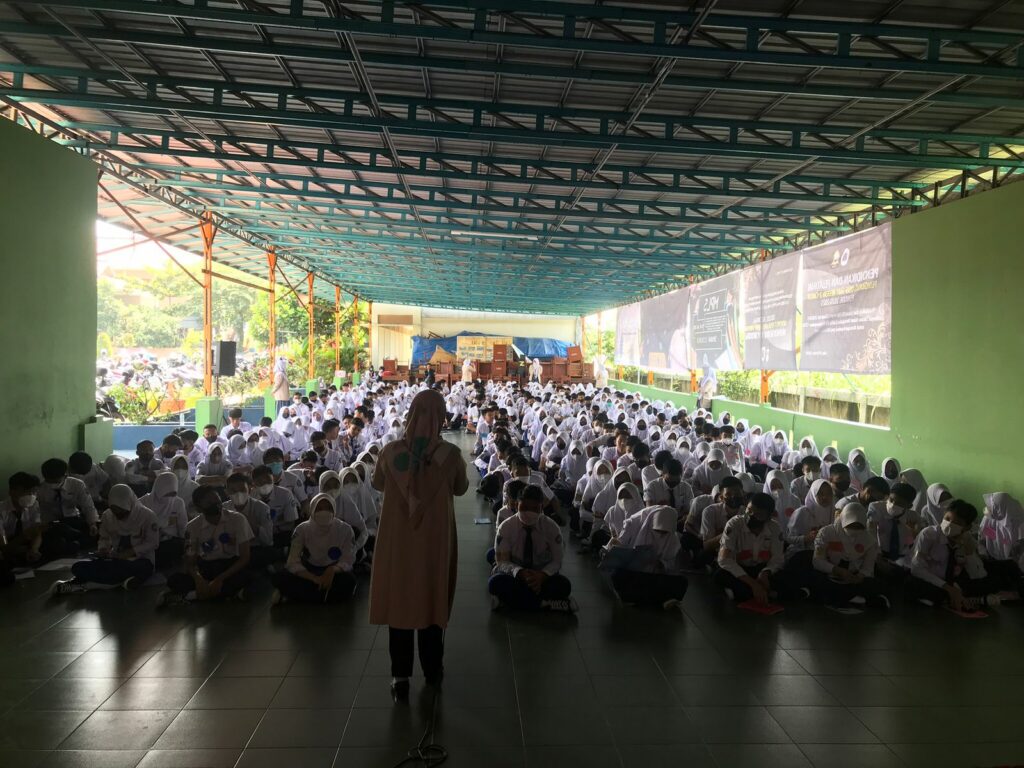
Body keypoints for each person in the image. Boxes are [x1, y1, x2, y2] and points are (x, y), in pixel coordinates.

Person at [369, 388, 469, 702]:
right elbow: (461, 488)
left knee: (400, 604)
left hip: (397, 544)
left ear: (410, 414)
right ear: (441, 418)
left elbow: (378, 483)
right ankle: (432, 670)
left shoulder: (389, 452)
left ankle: (400, 678)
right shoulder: (450, 455)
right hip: (432, 544)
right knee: (430, 600)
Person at [50, 484, 159, 595]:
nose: (118, 515)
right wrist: (103, 549)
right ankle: (123, 580)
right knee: (77, 567)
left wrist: (130, 552)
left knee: (140, 568)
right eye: (114, 511)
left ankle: (80, 584)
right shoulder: (108, 516)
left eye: (122, 511)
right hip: (115, 560)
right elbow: (104, 537)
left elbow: (153, 543)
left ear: (130, 503)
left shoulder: (147, 516)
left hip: (140, 559)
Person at [157, 486, 253, 607]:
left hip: (230, 566)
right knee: (174, 580)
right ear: (199, 508)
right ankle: (229, 594)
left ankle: (190, 596)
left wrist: (219, 579)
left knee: (248, 577)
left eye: (217, 500)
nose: (216, 504)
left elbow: (245, 557)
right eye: (209, 502)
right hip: (207, 567)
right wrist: (198, 579)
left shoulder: (238, 519)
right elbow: (190, 561)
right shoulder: (192, 527)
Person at [489, 485, 576, 612]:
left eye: (534, 509)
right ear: (516, 505)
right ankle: (545, 604)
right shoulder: (506, 527)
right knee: (495, 583)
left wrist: (542, 575)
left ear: (541, 508)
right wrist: (519, 572)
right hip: (516, 575)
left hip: (541, 575)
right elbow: (502, 562)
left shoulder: (551, 528)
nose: (529, 513)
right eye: (524, 508)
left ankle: (512, 602)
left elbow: (557, 561)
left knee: (563, 585)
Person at [906, 499, 998, 611]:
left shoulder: (967, 538)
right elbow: (917, 569)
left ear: (967, 527)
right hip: (931, 580)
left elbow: (978, 575)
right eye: (947, 519)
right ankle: (965, 598)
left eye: (957, 523)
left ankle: (950, 599)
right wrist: (949, 588)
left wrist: (968, 551)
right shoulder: (929, 535)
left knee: (988, 581)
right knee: (911, 584)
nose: (949, 524)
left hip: (954, 581)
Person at [272, 493, 356, 605]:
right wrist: (314, 578)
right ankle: (324, 596)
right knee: (280, 576)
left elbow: (347, 560)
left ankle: (297, 596)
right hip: (308, 570)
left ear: (334, 510)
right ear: (312, 509)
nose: (324, 511)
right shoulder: (301, 529)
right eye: (319, 508)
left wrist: (332, 570)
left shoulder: (345, 529)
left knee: (349, 581)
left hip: (333, 572)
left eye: (328, 508)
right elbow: (292, 561)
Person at [714, 492, 797, 604]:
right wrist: (753, 583)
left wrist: (765, 573)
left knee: (787, 577)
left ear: (768, 516)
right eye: (749, 510)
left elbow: (777, 558)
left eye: (758, 514)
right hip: (739, 569)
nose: (751, 516)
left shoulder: (775, 528)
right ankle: (768, 593)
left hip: (760, 569)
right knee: (720, 575)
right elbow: (724, 559)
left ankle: (763, 592)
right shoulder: (734, 524)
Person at [810, 503, 889, 611]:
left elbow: (868, 568)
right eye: (851, 525)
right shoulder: (826, 533)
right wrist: (837, 570)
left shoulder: (869, 540)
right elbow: (818, 561)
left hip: (853, 578)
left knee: (877, 584)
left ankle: (845, 597)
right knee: (816, 579)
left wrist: (859, 576)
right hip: (830, 574)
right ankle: (854, 598)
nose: (854, 530)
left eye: (858, 527)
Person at [609, 505, 688, 610]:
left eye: (665, 533)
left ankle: (638, 599)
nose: (660, 535)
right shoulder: (636, 527)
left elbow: (672, 567)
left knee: (682, 581)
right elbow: (621, 554)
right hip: (636, 575)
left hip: (655, 577)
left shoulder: (674, 542)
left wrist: (661, 563)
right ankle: (660, 600)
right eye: (657, 530)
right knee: (618, 575)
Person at [977, 492, 1024, 598]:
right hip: (994, 561)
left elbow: (1020, 543)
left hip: (1016, 564)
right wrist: (983, 553)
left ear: (999, 507)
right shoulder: (990, 518)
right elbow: (984, 537)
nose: (988, 508)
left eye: (991, 506)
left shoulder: (1019, 520)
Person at [138, 471, 188, 568]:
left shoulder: (178, 502)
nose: (169, 498)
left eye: (173, 494)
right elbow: (139, 526)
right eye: (166, 493)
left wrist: (185, 542)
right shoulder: (143, 502)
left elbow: (183, 526)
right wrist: (165, 523)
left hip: (169, 541)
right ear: (159, 488)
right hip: (147, 541)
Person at [0, 472, 44, 566]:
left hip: (27, 541)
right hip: (8, 542)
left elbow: (37, 531)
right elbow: (3, 544)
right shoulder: (2, 510)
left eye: (34, 492)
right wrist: (24, 536)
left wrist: (34, 549)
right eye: (26, 492)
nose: (31, 496)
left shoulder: (34, 505)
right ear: (11, 491)